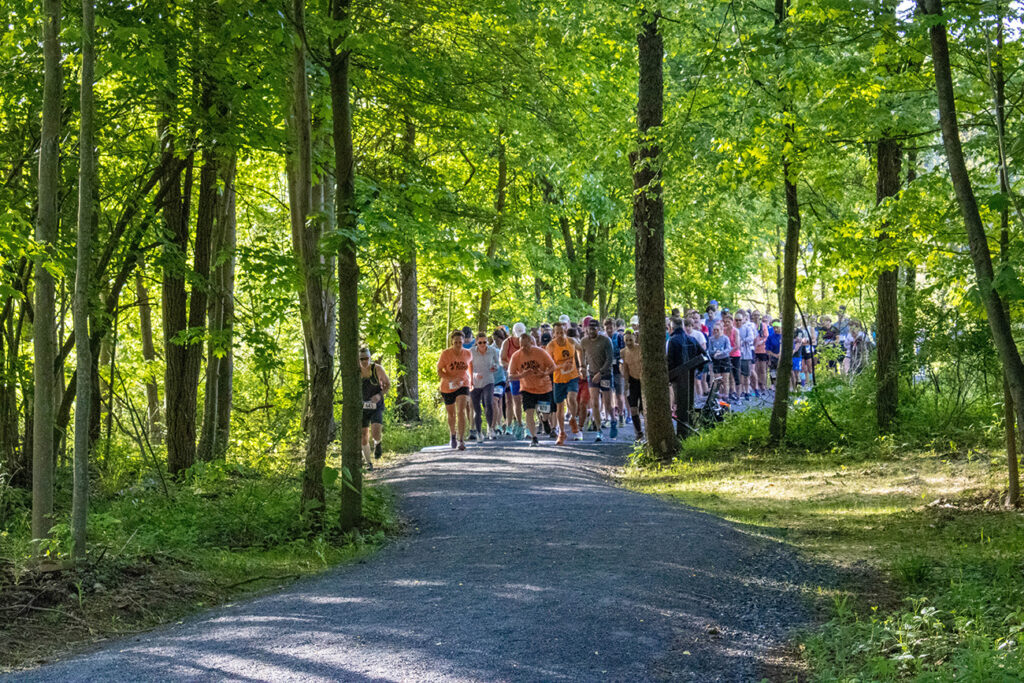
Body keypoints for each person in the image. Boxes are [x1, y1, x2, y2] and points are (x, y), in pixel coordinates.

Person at [507, 332, 556, 447]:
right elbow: (510, 376)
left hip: (544, 387)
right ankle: (534, 438)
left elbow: (553, 366)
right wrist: (522, 375)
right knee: (529, 412)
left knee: (545, 412)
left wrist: (544, 373)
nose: (524, 348)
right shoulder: (516, 356)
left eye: (527, 345)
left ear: (531, 343)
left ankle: (544, 421)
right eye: (522, 346)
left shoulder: (540, 352)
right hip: (527, 388)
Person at [547, 321, 583, 444]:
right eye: (557, 333)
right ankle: (562, 432)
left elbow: (580, 350)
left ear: (565, 331)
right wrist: (562, 365)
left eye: (562, 332)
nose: (560, 335)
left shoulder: (571, 341)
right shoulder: (551, 346)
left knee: (572, 398)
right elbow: (549, 366)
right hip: (558, 379)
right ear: (553, 334)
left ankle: (573, 419)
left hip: (572, 376)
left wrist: (581, 365)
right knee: (560, 407)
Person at [581, 318, 616, 442]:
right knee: (594, 402)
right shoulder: (584, 341)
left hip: (605, 374)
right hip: (592, 374)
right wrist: (582, 367)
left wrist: (600, 373)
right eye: (590, 329)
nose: (592, 331)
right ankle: (598, 430)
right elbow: (582, 355)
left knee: (607, 403)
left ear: (598, 329)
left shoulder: (606, 341)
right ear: (587, 329)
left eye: (594, 329)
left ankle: (613, 420)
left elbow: (610, 359)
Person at [667, 316, 701, 437]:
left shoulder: (672, 341)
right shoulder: (691, 339)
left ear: (671, 327)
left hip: (678, 379)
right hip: (690, 378)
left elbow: (669, 361)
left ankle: (682, 434)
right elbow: (704, 356)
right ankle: (688, 430)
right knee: (688, 404)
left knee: (680, 404)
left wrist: (668, 377)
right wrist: (697, 370)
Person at [438, 329, 472, 450]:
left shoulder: (468, 353)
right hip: (448, 387)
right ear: (452, 342)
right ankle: (453, 435)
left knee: (461, 411)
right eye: (456, 342)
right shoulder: (445, 354)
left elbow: (470, 367)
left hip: (463, 384)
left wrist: (471, 380)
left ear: (463, 342)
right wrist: (450, 379)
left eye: (460, 342)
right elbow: (439, 371)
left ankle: (461, 440)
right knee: (451, 414)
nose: (458, 345)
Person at [360, 347, 390, 470]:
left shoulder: (377, 369)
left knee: (376, 431)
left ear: (370, 358)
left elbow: (388, 385)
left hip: (376, 406)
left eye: (367, 358)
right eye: (362, 359)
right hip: (362, 406)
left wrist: (379, 395)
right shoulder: (356, 371)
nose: (364, 361)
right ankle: (369, 463)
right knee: (363, 435)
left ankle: (377, 443)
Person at [469, 332, 501, 441]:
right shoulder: (471, 352)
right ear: (476, 343)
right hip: (475, 382)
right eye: (480, 342)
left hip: (488, 380)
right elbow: (468, 368)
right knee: (477, 409)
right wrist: (474, 375)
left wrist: (495, 367)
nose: (483, 345)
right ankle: (478, 432)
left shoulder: (492, 351)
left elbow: (497, 363)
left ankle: (490, 428)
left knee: (489, 403)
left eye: (485, 342)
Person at [500, 323, 526, 437]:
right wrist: (511, 366)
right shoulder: (507, 343)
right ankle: (516, 424)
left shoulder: (529, 340)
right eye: (517, 336)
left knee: (526, 399)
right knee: (513, 400)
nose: (519, 338)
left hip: (526, 374)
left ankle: (527, 424)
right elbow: (501, 360)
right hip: (513, 374)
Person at [621, 328, 644, 440]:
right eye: (627, 340)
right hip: (632, 381)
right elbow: (625, 368)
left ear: (634, 339)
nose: (629, 343)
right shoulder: (623, 352)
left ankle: (648, 431)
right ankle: (638, 432)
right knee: (633, 408)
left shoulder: (640, 348)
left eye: (631, 340)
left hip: (643, 381)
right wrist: (626, 383)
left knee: (643, 409)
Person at [604, 317, 626, 426]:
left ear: (614, 327)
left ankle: (621, 415)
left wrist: (622, 366)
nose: (609, 330)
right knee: (607, 395)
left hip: (617, 370)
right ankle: (609, 417)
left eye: (611, 327)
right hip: (606, 371)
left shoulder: (619, 338)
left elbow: (624, 352)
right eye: (607, 328)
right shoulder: (603, 339)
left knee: (619, 395)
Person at [708, 321, 733, 398]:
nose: (715, 331)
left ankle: (726, 396)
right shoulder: (711, 339)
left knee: (725, 380)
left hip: (725, 359)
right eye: (714, 330)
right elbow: (710, 350)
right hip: (716, 360)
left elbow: (728, 348)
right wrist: (715, 352)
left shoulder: (725, 338)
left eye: (717, 330)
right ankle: (718, 396)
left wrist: (720, 352)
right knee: (717, 380)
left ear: (721, 330)